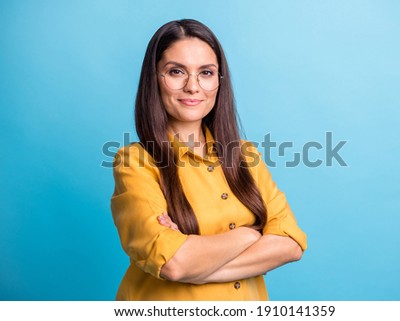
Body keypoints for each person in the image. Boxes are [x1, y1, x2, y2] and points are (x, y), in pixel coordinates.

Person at [110, 19, 307, 300]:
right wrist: (249, 236)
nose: (193, 86)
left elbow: (291, 243)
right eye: (176, 71)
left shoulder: (246, 156)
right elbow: (174, 264)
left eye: (206, 72)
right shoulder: (134, 162)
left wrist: (197, 262)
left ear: (219, 80)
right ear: (154, 78)